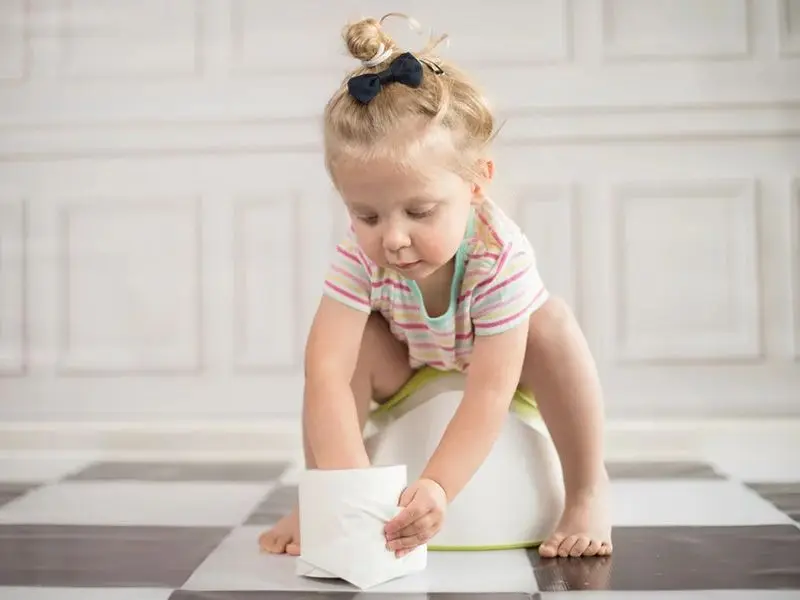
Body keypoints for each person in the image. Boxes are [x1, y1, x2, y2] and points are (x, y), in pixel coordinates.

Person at [259, 12, 612, 559]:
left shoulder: (500, 256)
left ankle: (587, 488)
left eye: (420, 211)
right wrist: (346, 484)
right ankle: (315, 497)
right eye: (367, 216)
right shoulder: (359, 255)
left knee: (552, 324)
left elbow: (489, 392)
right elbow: (325, 372)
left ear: (477, 183)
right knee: (344, 351)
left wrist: (438, 485)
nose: (393, 238)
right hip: (405, 367)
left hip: (500, 370)